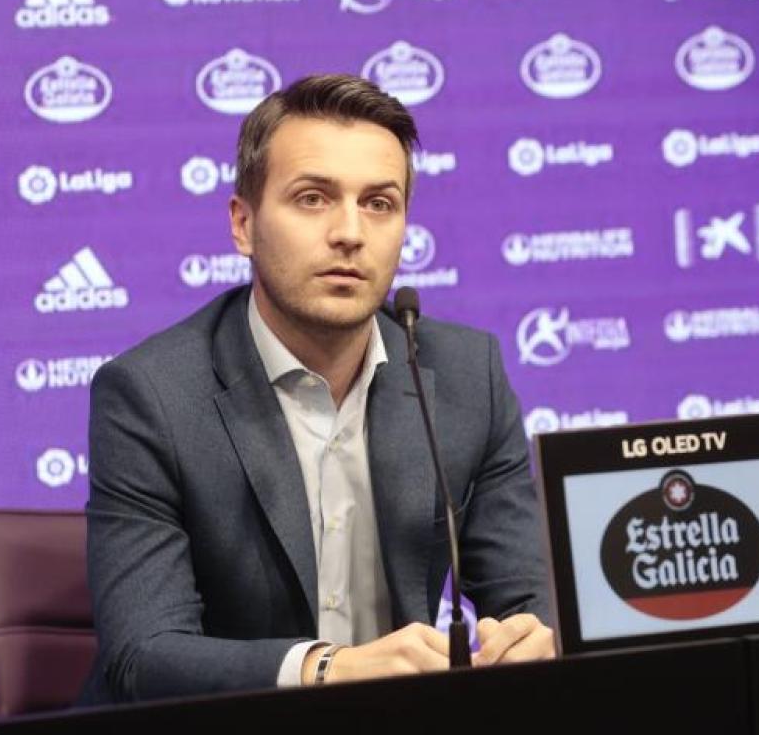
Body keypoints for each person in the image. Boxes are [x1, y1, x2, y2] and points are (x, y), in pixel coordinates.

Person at [78, 74, 554, 706]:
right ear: (243, 224)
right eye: (312, 199)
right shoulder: (152, 395)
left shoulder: (468, 374)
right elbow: (145, 653)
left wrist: (532, 636)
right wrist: (327, 669)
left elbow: (528, 593)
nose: (350, 233)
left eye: (379, 203)